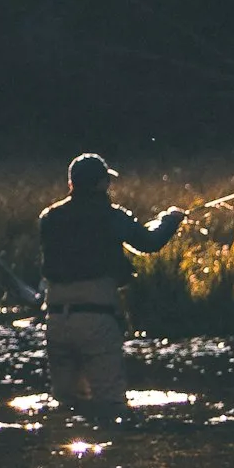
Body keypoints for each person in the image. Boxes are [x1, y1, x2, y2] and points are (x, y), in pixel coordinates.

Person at [36, 152, 184, 415]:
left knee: (66, 406)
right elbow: (149, 243)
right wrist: (171, 219)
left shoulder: (49, 217)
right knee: (110, 406)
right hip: (96, 318)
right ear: (101, 184)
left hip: (56, 319)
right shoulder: (111, 215)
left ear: (72, 184)